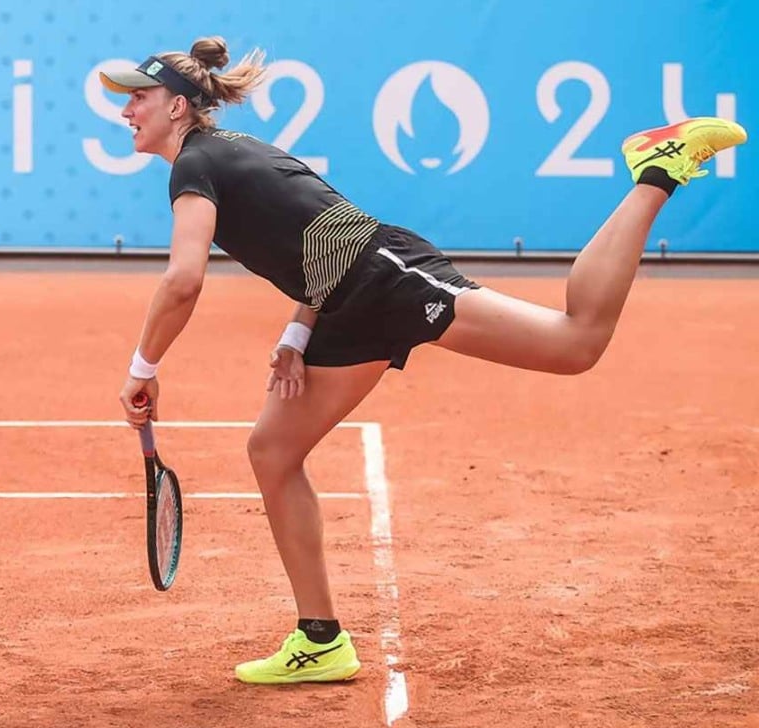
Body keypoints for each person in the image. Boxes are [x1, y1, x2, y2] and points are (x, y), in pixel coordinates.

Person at [104, 36, 747, 685]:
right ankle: (320, 639)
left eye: (139, 97)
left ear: (180, 106)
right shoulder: (230, 155)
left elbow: (185, 279)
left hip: (385, 282)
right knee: (272, 450)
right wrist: (299, 333)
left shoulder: (197, 164)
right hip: (345, 301)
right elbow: (318, 235)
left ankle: (657, 169)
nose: (128, 110)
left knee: (575, 343)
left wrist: (143, 368)